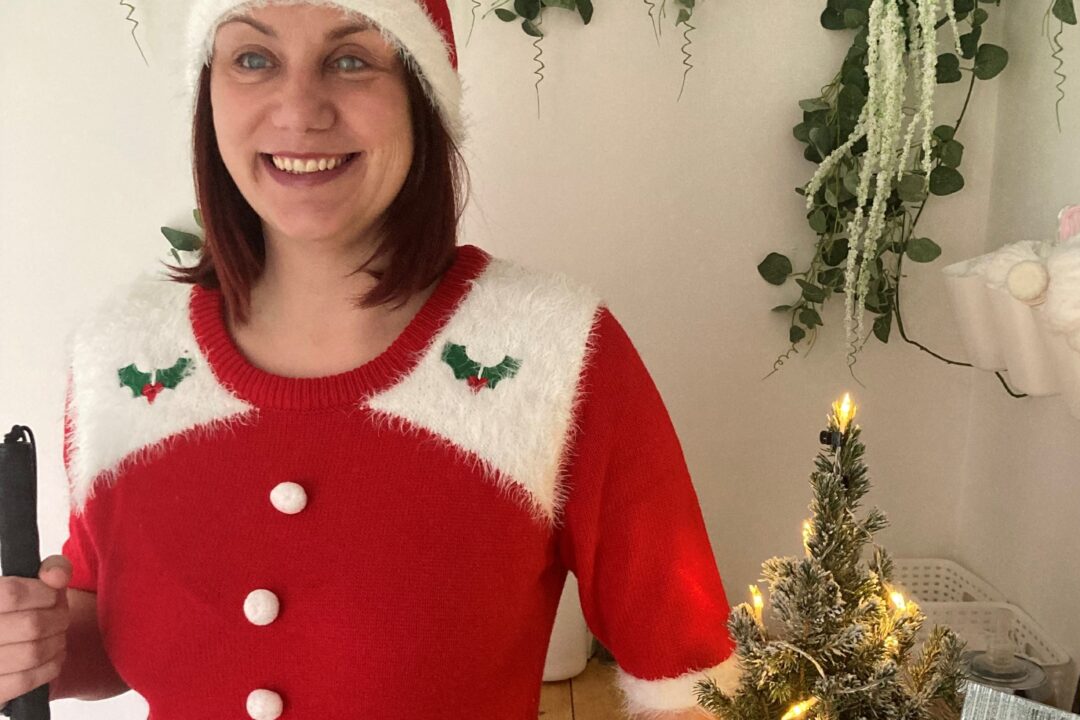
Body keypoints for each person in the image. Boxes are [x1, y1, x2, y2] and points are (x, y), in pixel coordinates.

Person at [0, 1, 741, 717]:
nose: (300, 109)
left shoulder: (553, 354)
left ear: (422, 94)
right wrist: (33, 648)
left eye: (351, 60)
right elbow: (109, 623)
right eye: (253, 58)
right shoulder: (123, 359)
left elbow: (690, 686)